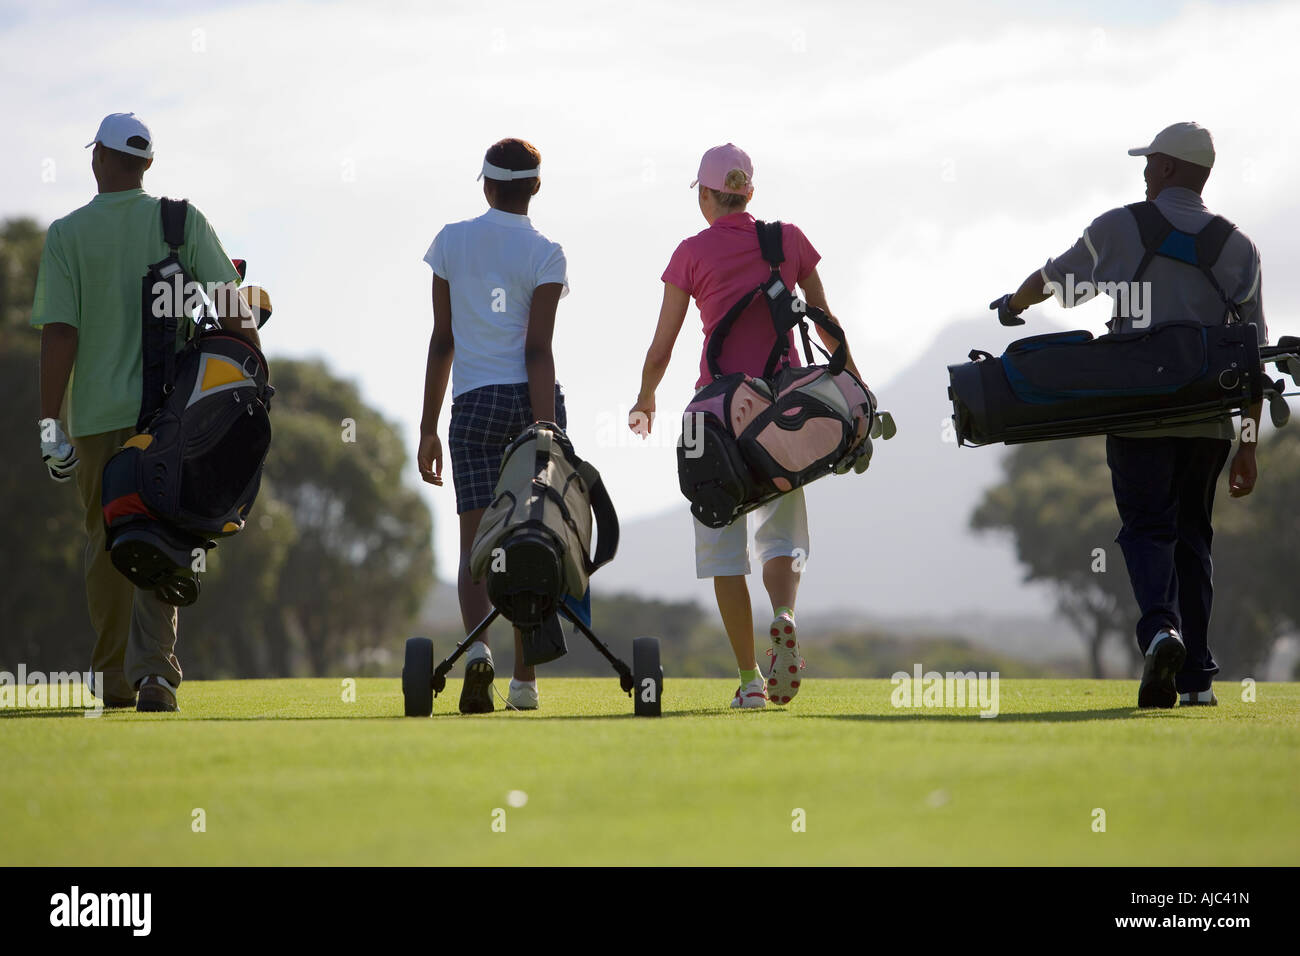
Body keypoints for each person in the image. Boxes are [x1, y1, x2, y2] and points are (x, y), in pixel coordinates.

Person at [990, 121, 1265, 709]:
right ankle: (1197, 681)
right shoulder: (1240, 247)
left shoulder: (1121, 226)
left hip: (1139, 414)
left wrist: (1014, 303)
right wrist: (1249, 445)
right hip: (1212, 421)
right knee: (1195, 537)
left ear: (1167, 168)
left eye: (1150, 162)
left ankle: (1160, 630)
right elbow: (1253, 357)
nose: (1143, 172)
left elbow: (1056, 279)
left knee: (1146, 529)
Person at [32, 112, 254, 712]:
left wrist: (50, 424)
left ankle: (110, 679)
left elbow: (59, 333)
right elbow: (235, 312)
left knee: (106, 541)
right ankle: (155, 671)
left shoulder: (66, 234)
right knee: (165, 529)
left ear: (98, 157)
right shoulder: (181, 221)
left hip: (97, 417)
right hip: (171, 414)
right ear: (147, 164)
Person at [629, 143, 862, 709]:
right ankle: (783, 615)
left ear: (706, 196)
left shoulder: (690, 253)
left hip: (713, 416)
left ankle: (750, 681)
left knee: (721, 552)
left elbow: (663, 347)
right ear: (749, 193)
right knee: (782, 539)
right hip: (783, 417)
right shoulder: (789, 241)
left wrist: (645, 397)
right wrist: (855, 390)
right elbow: (828, 326)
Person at [417, 137, 574, 714]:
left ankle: (478, 652)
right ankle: (525, 683)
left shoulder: (450, 242)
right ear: (536, 185)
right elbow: (538, 350)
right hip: (529, 404)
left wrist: (429, 427)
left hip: (474, 406)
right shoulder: (547, 254)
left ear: (484, 183)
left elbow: (442, 342)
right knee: (532, 540)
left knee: (476, 547)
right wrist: (547, 430)